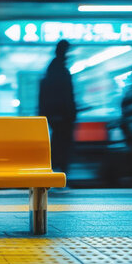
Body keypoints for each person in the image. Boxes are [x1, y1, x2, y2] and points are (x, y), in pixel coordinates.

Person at [39, 40, 77, 178]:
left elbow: (44, 95)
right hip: (64, 115)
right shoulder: (62, 71)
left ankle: (56, 172)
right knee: (63, 145)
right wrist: (72, 114)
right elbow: (68, 96)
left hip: (53, 116)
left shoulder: (50, 71)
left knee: (57, 143)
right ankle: (61, 175)